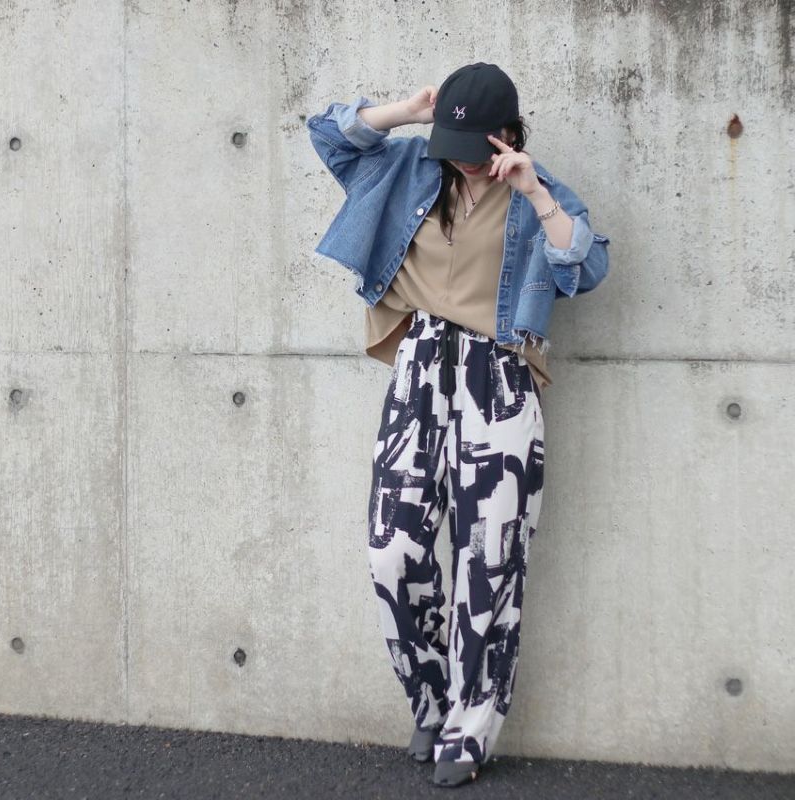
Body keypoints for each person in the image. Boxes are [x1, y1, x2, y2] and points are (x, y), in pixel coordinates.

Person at [307, 62, 610, 788]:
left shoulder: (538, 192)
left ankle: (472, 727)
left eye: (477, 147)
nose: (464, 160)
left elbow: (587, 265)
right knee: (392, 549)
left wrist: (534, 192)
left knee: (490, 558)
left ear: (508, 135)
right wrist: (408, 112)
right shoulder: (413, 165)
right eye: (454, 144)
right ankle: (431, 698)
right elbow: (329, 137)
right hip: (419, 368)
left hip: (499, 377)